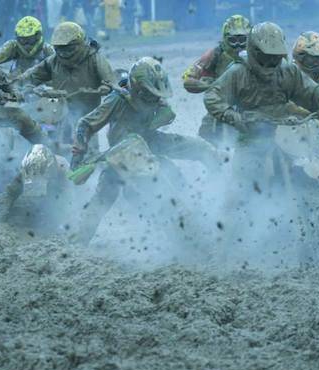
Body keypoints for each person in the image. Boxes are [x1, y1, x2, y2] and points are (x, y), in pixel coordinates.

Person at [204, 22, 319, 254]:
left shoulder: (287, 71)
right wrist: (233, 116)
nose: (271, 63)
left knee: (317, 170)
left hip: (288, 131)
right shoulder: (237, 72)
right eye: (266, 57)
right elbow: (213, 97)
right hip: (252, 138)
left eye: (276, 57)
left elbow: (312, 92)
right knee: (243, 190)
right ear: (254, 52)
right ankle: (224, 247)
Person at [70, 57, 219, 243]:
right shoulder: (117, 100)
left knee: (199, 148)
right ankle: (79, 242)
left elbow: (167, 115)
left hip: (149, 140)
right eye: (150, 94)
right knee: (104, 198)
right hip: (122, 153)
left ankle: (221, 188)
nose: (155, 98)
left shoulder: (156, 98)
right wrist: (78, 154)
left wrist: (161, 112)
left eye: (157, 95)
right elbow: (85, 124)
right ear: (138, 88)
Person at [182, 14, 251, 143]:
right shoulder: (215, 54)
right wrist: (208, 85)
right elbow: (188, 78)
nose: (238, 45)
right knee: (206, 136)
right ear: (225, 39)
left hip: (253, 102)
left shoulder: (258, 53)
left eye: (243, 40)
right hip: (222, 104)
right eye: (233, 40)